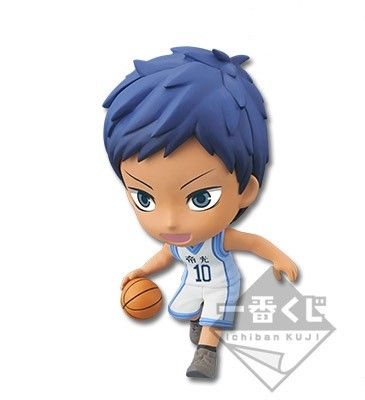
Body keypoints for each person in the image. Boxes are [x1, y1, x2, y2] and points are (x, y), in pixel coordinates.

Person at [103, 46, 298, 379]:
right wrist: (143, 271)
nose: (170, 221)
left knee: (214, 317)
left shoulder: (220, 240)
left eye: (200, 198)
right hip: (193, 282)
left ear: (245, 191)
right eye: (145, 198)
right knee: (186, 309)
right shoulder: (177, 243)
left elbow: (253, 243)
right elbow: (165, 257)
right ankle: (197, 321)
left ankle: (206, 354)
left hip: (222, 285)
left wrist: (279, 258)